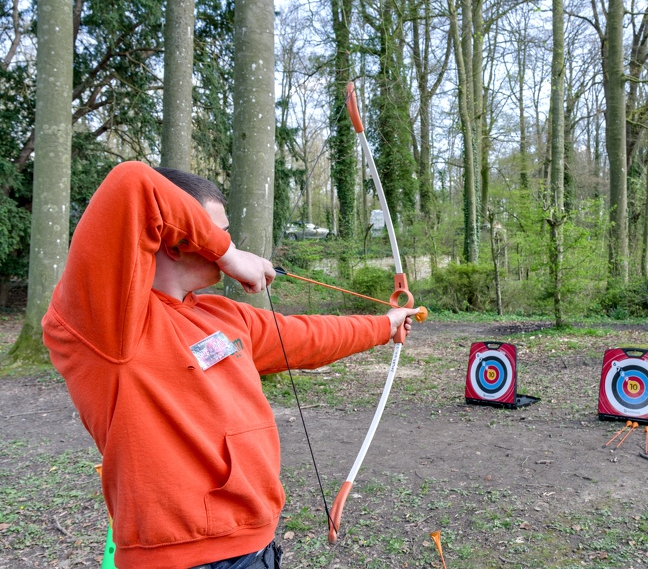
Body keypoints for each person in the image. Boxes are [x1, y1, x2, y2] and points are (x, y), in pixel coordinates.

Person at [42, 161, 418, 569]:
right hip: (178, 558)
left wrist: (384, 325)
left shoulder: (221, 315)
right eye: (218, 232)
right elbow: (131, 183)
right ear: (174, 238)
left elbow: (306, 336)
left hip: (254, 546)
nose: (228, 243)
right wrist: (229, 255)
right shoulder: (107, 325)